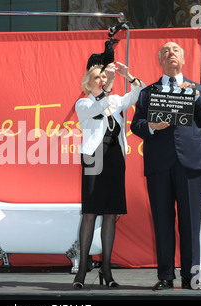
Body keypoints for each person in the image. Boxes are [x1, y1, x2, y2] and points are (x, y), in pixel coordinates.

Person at [130, 42, 201, 290]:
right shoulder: (148, 93)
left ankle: (191, 277)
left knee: (191, 223)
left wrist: (196, 98)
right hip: (159, 164)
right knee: (162, 221)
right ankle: (166, 276)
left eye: (175, 50)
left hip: (192, 164)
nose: (171, 54)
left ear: (183, 58)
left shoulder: (198, 89)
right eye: (166, 51)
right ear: (160, 60)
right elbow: (136, 125)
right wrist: (151, 126)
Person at [73, 61, 145, 289]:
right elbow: (96, 109)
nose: (103, 80)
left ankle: (106, 267)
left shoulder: (114, 101)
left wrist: (128, 76)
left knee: (111, 214)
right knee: (90, 213)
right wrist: (108, 88)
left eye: (105, 77)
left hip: (115, 157)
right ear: (88, 83)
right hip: (94, 157)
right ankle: (83, 269)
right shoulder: (83, 103)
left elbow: (139, 94)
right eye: (98, 78)